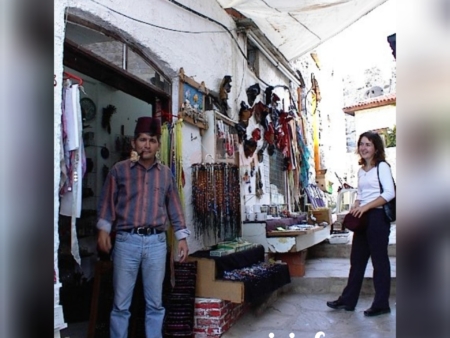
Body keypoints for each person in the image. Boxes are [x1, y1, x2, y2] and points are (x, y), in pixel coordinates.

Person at [96, 116, 190, 338]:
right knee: (120, 305)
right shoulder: (119, 171)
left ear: (158, 145)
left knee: (155, 304)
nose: (146, 145)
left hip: (156, 244)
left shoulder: (166, 174)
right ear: (134, 143)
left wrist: (182, 237)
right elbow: (107, 202)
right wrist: (103, 228)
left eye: (152, 140)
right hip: (126, 242)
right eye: (142, 139)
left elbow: (174, 207)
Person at [327, 131, 395, 317]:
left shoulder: (382, 167)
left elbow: (389, 193)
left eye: (368, 144)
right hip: (364, 218)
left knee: (379, 261)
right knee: (356, 261)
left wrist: (365, 208)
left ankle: (381, 304)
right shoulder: (361, 171)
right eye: (361, 144)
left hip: (378, 218)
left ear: (376, 148)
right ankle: (348, 300)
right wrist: (357, 203)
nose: (363, 148)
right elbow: (363, 193)